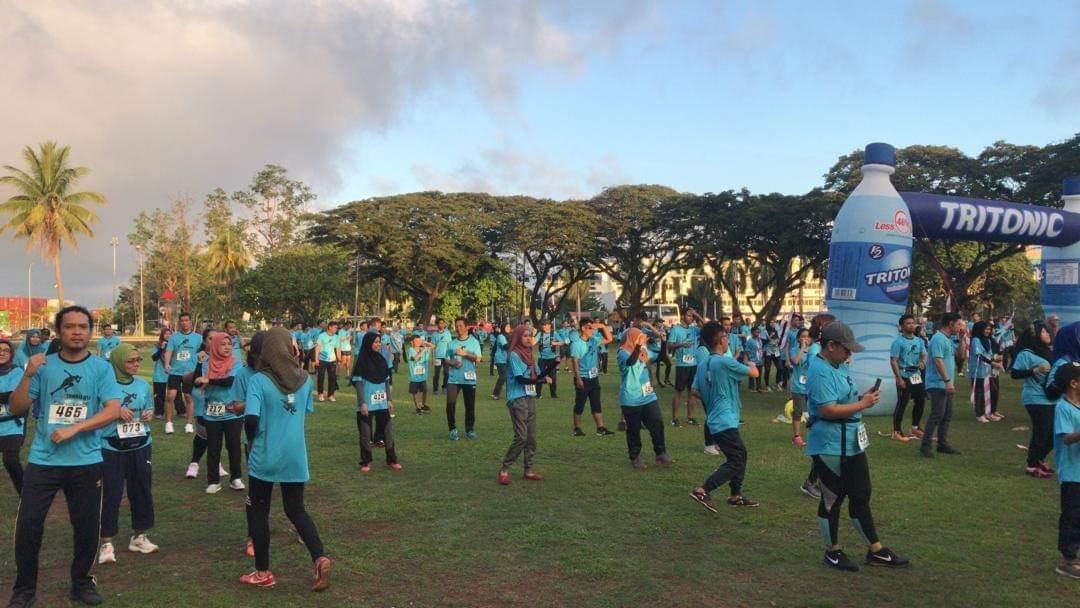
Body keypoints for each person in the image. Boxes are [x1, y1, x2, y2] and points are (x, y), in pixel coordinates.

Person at [6, 305, 123, 607]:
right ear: (59, 331)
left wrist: (76, 428)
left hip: (86, 461)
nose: (77, 332)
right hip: (43, 461)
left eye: (83, 327)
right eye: (70, 326)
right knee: (29, 525)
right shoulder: (43, 366)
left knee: (86, 527)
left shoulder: (101, 368)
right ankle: (24, 590)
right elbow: (17, 408)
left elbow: (112, 409)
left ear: (90, 332)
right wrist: (28, 375)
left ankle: (81, 582)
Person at [807, 321, 908, 571]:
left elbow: (843, 399)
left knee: (861, 493)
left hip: (851, 441)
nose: (850, 354)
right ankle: (832, 551)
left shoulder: (838, 365)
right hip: (830, 444)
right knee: (832, 498)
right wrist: (863, 404)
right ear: (831, 346)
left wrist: (863, 398)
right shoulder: (820, 370)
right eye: (846, 349)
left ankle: (876, 550)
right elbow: (827, 409)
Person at [242, 327, 332, 590]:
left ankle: (262, 572)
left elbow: (251, 419)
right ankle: (319, 557)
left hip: (265, 455)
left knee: (259, 512)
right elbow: (301, 411)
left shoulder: (259, 380)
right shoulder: (305, 380)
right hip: (295, 455)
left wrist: (252, 440)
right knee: (296, 509)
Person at [689, 322, 759, 511]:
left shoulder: (703, 364)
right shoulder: (724, 362)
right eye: (727, 337)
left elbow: (694, 390)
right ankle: (703, 490)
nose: (728, 340)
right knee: (736, 459)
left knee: (740, 455)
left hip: (716, 418)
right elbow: (754, 373)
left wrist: (712, 397)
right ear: (721, 340)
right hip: (724, 419)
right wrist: (751, 363)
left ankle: (735, 495)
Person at [98, 344, 158, 564]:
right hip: (112, 447)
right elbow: (95, 415)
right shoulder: (104, 386)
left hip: (140, 445)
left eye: (138, 360)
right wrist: (114, 411)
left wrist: (149, 414)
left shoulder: (143, 385)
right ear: (117, 362)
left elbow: (149, 408)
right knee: (111, 493)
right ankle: (106, 542)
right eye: (130, 361)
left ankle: (139, 536)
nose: (136, 364)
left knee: (141, 490)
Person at [498, 325, 550, 485]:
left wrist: (553, 366)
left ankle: (528, 470)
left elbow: (538, 374)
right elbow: (520, 379)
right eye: (525, 336)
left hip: (529, 396)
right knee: (521, 436)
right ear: (518, 337)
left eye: (530, 336)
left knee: (531, 437)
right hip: (517, 397)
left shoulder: (530, 354)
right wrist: (541, 381)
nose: (528, 338)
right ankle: (504, 469)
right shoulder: (514, 354)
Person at [195, 332, 246, 493]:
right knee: (213, 447)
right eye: (223, 344)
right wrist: (198, 364)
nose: (227, 347)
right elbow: (197, 382)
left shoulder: (236, 363)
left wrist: (209, 380)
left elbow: (229, 381)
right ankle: (213, 481)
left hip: (232, 412)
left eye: (229, 344)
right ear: (215, 346)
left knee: (234, 446)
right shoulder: (206, 363)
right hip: (212, 413)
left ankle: (236, 478)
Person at [617, 328, 673, 470]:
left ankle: (660, 453)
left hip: (648, 396)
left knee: (657, 422)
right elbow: (631, 362)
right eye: (638, 337)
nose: (641, 339)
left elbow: (660, 357)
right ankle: (635, 457)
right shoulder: (622, 352)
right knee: (634, 430)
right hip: (631, 398)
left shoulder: (643, 350)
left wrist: (663, 342)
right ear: (631, 338)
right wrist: (637, 346)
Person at [1012, 322, 1057, 478]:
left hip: (1051, 397)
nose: (1047, 334)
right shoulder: (1026, 353)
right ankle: (1032, 465)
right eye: (1043, 332)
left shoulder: (1050, 352)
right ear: (1035, 335)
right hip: (1035, 397)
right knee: (1042, 431)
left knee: (1054, 432)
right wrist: (1035, 370)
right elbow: (1014, 373)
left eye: (1048, 332)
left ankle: (1039, 459)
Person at [351, 332, 400, 472]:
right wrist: (362, 403)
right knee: (366, 434)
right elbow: (358, 384)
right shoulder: (361, 362)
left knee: (388, 432)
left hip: (382, 403)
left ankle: (392, 459)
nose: (378, 344)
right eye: (376, 342)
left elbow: (386, 382)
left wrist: (389, 400)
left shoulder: (382, 360)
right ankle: (366, 462)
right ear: (368, 343)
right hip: (366, 404)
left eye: (379, 342)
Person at [922, 312, 964, 458]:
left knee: (946, 415)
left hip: (946, 384)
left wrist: (962, 339)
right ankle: (925, 446)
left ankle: (942, 444)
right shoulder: (938, 339)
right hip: (937, 383)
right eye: (958, 324)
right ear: (950, 324)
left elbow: (961, 355)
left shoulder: (949, 339)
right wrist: (947, 380)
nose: (960, 327)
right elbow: (938, 360)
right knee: (937, 414)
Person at [1053, 361, 1080, 578]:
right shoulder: (1063, 408)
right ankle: (1068, 560)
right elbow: (1066, 438)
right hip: (1073, 473)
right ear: (1073, 383)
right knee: (1072, 516)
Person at [569, 319, 615, 437]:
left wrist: (602, 326)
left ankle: (600, 428)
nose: (592, 330)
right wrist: (578, 378)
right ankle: (577, 428)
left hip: (594, 377)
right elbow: (574, 362)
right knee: (580, 404)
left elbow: (609, 339)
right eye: (589, 327)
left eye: (592, 328)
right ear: (583, 328)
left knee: (596, 403)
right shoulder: (577, 344)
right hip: (583, 378)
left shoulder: (594, 340)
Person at [889, 314, 928, 441]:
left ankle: (915, 428)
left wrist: (922, 363)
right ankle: (896, 431)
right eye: (908, 323)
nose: (911, 325)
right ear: (901, 326)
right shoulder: (898, 342)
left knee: (920, 400)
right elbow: (894, 361)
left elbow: (924, 355)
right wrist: (899, 378)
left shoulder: (919, 341)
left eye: (913, 323)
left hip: (916, 375)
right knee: (903, 403)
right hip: (904, 375)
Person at [164, 312, 202, 435]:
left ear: (191, 322)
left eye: (186, 320)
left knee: (188, 397)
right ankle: (168, 423)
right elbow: (169, 351)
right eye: (182, 321)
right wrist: (167, 364)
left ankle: (189, 424)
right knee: (170, 396)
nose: (184, 323)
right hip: (175, 371)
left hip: (189, 372)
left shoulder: (198, 338)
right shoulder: (174, 337)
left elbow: (203, 352)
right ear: (179, 322)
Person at [445, 318, 483, 441]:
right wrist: (453, 363)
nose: (458, 328)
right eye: (456, 326)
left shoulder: (474, 342)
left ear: (466, 327)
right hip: (453, 379)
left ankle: (469, 430)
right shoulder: (451, 343)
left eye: (461, 326)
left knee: (470, 405)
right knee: (450, 404)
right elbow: (446, 359)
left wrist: (465, 354)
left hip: (469, 378)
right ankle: (452, 429)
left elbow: (478, 359)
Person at [667, 309, 703, 427]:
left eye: (692, 316)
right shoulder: (676, 329)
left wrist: (697, 315)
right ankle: (674, 418)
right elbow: (669, 345)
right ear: (682, 316)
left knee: (692, 392)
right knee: (678, 392)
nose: (691, 318)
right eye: (689, 315)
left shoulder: (694, 329)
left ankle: (689, 417)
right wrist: (682, 344)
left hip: (693, 364)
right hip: (682, 365)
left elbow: (707, 326)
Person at [0, 339, 27, 493]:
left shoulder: (17, 372)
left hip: (12, 425)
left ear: (11, 354)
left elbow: (11, 396)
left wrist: (7, 397)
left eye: (6, 350)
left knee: (10, 461)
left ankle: (25, 495)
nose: (2, 353)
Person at [969, 320, 1003, 423]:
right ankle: (979, 414)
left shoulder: (987, 340)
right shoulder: (976, 340)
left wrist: (996, 358)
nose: (988, 331)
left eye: (989, 329)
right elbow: (979, 355)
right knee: (979, 392)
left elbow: (989, 354)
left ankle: (987, 413)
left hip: (987, 371)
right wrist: (992, 363)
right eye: (986, 329)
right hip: (977, 371)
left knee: (987, 392)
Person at [789, 328, 815, 449]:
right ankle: (796, 436)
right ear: (798, 338)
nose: (806, 339)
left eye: (808, 336)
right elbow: (795, 361)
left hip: (811, 386)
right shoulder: (794, 350)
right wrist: (802, 349)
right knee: (798, 411)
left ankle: (814, 435)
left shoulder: (814, 351)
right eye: (803, 336)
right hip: (798, 386)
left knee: (813, 411)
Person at [406, 334, 435, 414]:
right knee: (414, 392)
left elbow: (433, 346)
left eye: (419, 341)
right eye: (416, 341)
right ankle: (417, 407)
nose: (418, 342)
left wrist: (424, 342)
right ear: (412, 342)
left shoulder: (424, 348)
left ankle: (423, 405)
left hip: (423, 376)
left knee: (425, 390)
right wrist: (423, 350)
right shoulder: (411, 350)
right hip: (414, 377)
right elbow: (415, 358)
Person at [535, 320, 564, 398]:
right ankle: (538, 394)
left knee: (552, 376)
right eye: (543, 325)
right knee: (540, 375)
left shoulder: (554, 333)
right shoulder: (540, 334)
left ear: (549, 326)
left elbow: (562, 342)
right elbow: (533, 342)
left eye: (545, 325)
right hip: (542, 358)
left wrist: (555, 343)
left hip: (552, 358)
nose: (543, 326)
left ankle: (553, 394)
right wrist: (533, 336)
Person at [314, 321, 340, 403]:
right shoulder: (322, 336)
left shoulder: (336, 337)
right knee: (321, 377)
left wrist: (339, 360)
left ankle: (330, 395)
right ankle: (320, 394)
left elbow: (338, 349)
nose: (336, 329)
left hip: (332, 360)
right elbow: (317, 348)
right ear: (330, 327)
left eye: (337, 328)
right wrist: (316, 359)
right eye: (335, 327)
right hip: (322, 360)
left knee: (332, 378)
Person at [490, 322, 510, 399]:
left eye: (509, 327)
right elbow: (505, 346)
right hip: (500, 359)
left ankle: (509, 394)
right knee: (503, 377)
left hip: (507, 359)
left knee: (508, 377)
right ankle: (495, 394)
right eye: (507, 327)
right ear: (503, 328)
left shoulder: (508, 336)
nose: (509, 328)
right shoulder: (501, 336)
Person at [745, 327, 765, 392]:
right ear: (752, 332)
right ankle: (751, 387)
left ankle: (758, 386)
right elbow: (747, 351)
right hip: (753, 360)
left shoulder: (760, 340)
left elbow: (760, 349)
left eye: (759, 332)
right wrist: (749, 360)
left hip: (759, 360)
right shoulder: (749, 341)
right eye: (756, 332)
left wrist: (761, 357)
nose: (758, 333)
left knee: (759, 374)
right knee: (752, 374)